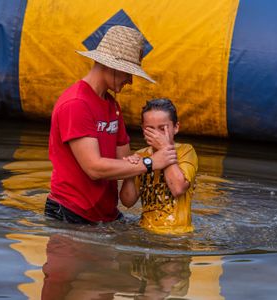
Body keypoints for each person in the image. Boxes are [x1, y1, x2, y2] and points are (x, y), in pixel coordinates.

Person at [46, 25, 178, 224]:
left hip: (106, 214)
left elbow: (126, 161)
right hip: (71, 213)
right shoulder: (76, 104)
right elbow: (94, 168)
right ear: (111, 66)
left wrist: (146, 158)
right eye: (128, 72)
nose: (130, 81)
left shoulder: (112, 105)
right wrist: (151, 163)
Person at [120, 99, 198, 234]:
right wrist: (130, 173)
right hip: (145, 232)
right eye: (150, 129)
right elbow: (127, 202)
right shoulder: (141, 155)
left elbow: (178, 188)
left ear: (176, 127)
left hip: (178, 234)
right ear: (143, 130)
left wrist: (164, 148)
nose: (157, 135)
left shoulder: (186, 151)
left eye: (162, 129)